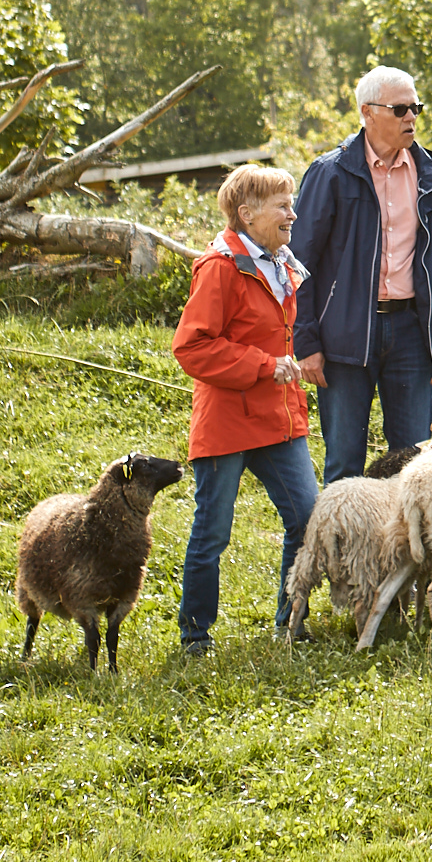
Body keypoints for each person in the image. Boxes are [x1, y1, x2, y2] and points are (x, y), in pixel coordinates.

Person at [171, 162, 314, 653]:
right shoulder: (219, 267)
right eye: (283, 205)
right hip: (229, 422)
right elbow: (191, 348)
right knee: (213, 531)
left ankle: (291, 621)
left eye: (291, 204)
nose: (292, 214)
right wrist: (262, 364)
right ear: (247, 213)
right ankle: (195, 635)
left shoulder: (282, 261)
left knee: (306, 519)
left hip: (280, 417)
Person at [290, 64, 432, 485]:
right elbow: (298, 263)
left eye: (415, 107)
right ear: (368, 112)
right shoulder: (330, 172)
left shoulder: (429, 175)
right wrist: (305, 340)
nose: (411, 118)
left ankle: (401, 552)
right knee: (344, 466)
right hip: (344, 337)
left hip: (411, 335)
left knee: (412, 464)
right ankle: (340, 552)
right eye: (400, 109)